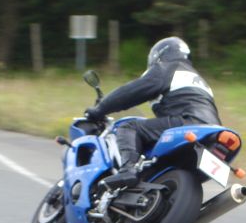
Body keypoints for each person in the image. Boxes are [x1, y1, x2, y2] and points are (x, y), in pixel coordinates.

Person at [85, 36, 221, 189]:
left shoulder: (167, 68)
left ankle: (127, 170)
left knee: (129, 127)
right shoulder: (199, 79)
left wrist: (99, 109)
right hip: (214, 134)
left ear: (160, 55)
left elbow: (130, 93)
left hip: (188, 124)